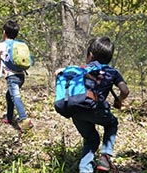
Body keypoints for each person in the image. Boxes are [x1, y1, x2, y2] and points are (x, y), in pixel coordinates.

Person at [56, 36, 129, 173]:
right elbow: (125, 91)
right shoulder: (113, 72)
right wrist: (118, 99)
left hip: (77, 111)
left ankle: (85, 169)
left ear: (90, 55)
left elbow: (60, 73)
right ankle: (105, 157)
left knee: (91, 138)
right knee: (112, 123)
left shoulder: (80, 69)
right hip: (97, 109)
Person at [0, 20, 33, 131]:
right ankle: (9, 117)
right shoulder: (19, 44)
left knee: (16, 97)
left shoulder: (1, 45)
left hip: (11, 76)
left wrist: (1, 71)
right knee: (9, 95)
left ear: (4, 32)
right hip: (21, 76)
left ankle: (24, 119)